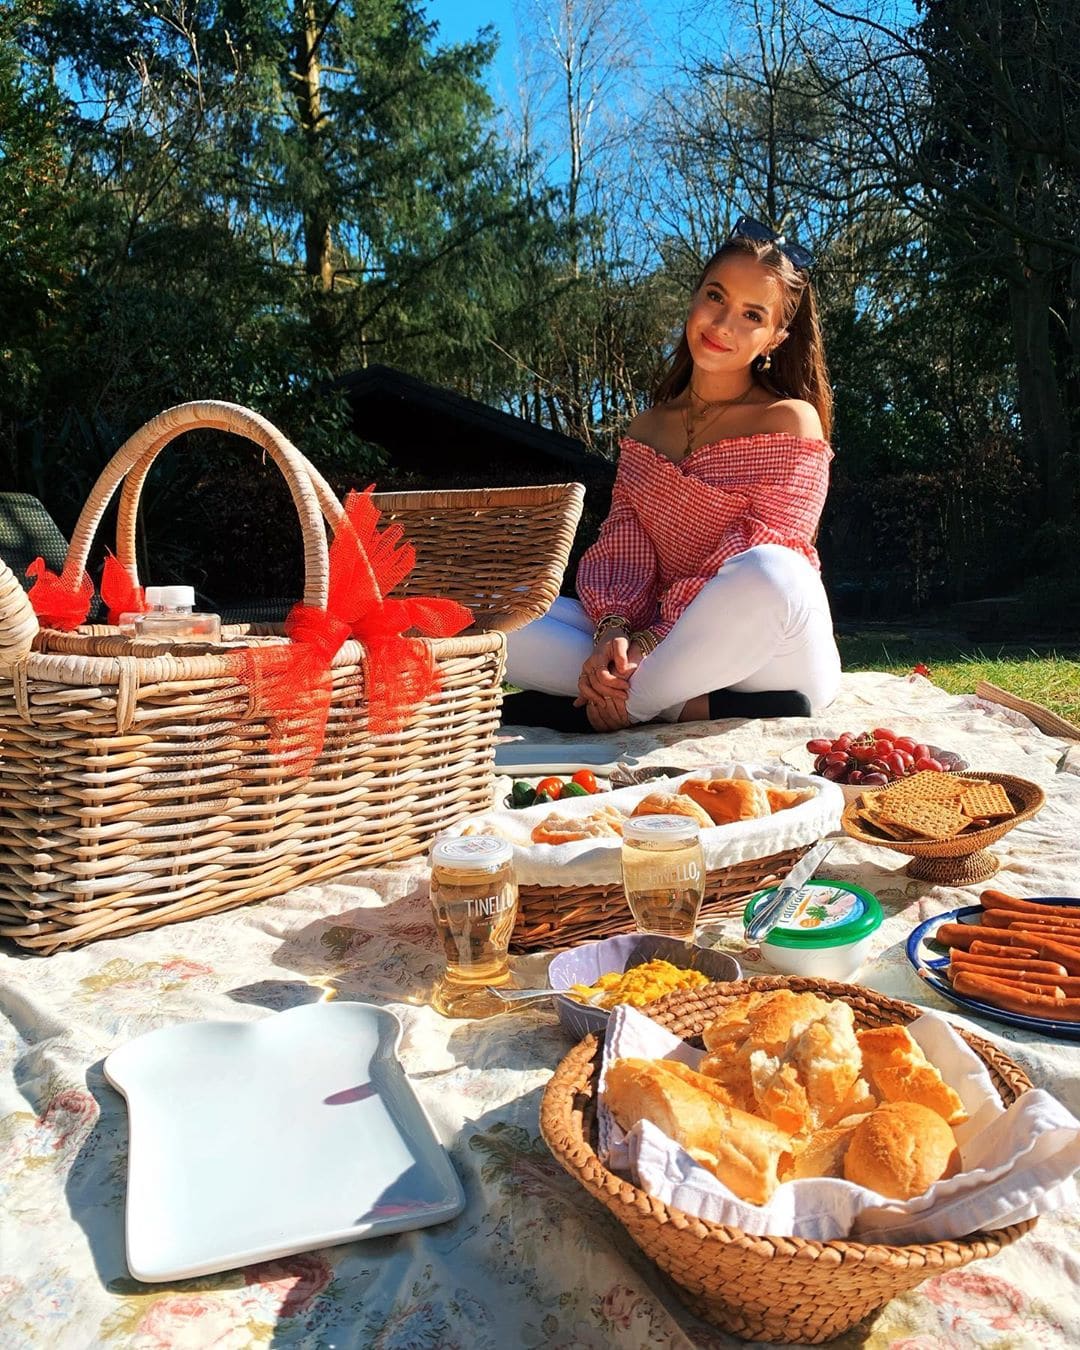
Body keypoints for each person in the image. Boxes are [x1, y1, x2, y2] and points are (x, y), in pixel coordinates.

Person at [504, 215, 842, 733]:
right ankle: (664, 703)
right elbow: (623, 543)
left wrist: (646, 642)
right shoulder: (648, 428)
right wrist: (612, 633)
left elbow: (765, 544)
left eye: (752, 314)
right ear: (695, 296)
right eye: (716, 296)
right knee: (476, 610)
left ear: (776, 336)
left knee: (773, 570)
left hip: (769, 652)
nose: (724, 324)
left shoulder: (790, 419)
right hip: (659, 647)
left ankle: (618, 709)